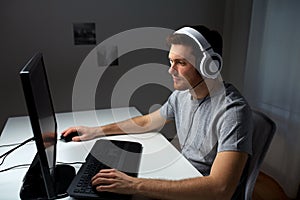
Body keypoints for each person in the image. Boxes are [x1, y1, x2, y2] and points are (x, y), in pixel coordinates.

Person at [62, 25, 253, 200]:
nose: (171, 70)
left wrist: (135, 185)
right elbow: (147, 122)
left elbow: (220, 189)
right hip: (181, 174)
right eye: (171, 61)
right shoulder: (182, 96)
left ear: (209, 65)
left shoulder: (232, 112)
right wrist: (96, 131)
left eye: (181, 63)